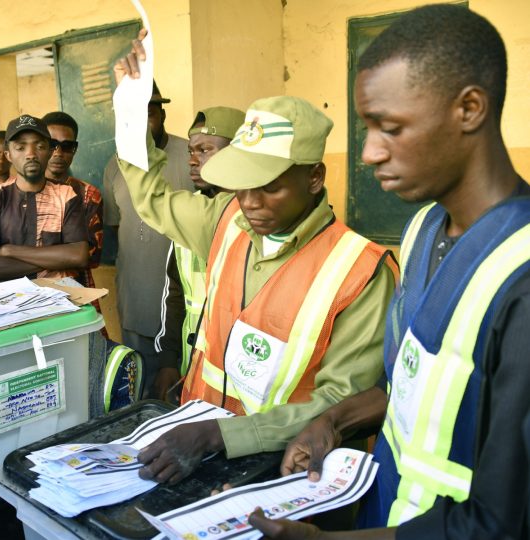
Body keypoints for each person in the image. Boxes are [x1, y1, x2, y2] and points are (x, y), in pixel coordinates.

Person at [250, 5, 530, 539]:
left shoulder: (522, 277)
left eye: (391, 127)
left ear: (469, 108)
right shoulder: (424, 228)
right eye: (367, 127)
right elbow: (414, 387)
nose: (369, 153)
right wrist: (332, 421)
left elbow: (500, 524)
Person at [114, 34, 397, 486]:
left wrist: (221, 436)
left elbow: (340, 400)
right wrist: (128, 115)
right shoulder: (225, 220)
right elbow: (152, 196)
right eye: (242, 184)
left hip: (282, 471)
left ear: (314, 177)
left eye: (269, 186)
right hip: (192, 448)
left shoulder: (361, 272)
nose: (251, 202)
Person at [102, 81, 192, 392]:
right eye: (133, 116)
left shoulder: (190, 156)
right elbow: (117, 226)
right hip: (136, 296)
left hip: (184, 303)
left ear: (162, 113)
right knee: (139, 385)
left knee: (182, 387)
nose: (141, 122)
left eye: (148, 113)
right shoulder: (115, 165)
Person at [152, 106, 245, 401]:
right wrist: (168, 359)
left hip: (238, 372)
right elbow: (175, 292)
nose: (193, 160)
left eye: (204, 150)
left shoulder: (258, 218)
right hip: (191, 362)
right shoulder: (191, 211)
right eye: (191, 150)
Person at [0, 114, 89, 281]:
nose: (31, 154)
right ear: (8, 155)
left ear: (49, 151)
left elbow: (78, 256)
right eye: (20, 148)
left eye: (40, 147)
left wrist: (11, 251)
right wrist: (57, 260)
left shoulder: (67, 195)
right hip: (8, 299)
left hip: (61, 296)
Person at [42, 111, 103, 290]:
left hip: (77, 291)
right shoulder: (19, 192)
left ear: (75, 149)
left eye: (67, 146)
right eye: (52, 145)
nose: (58, 153)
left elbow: (90, 257)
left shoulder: (89, 195)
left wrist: (27, 253)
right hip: (30, 293)